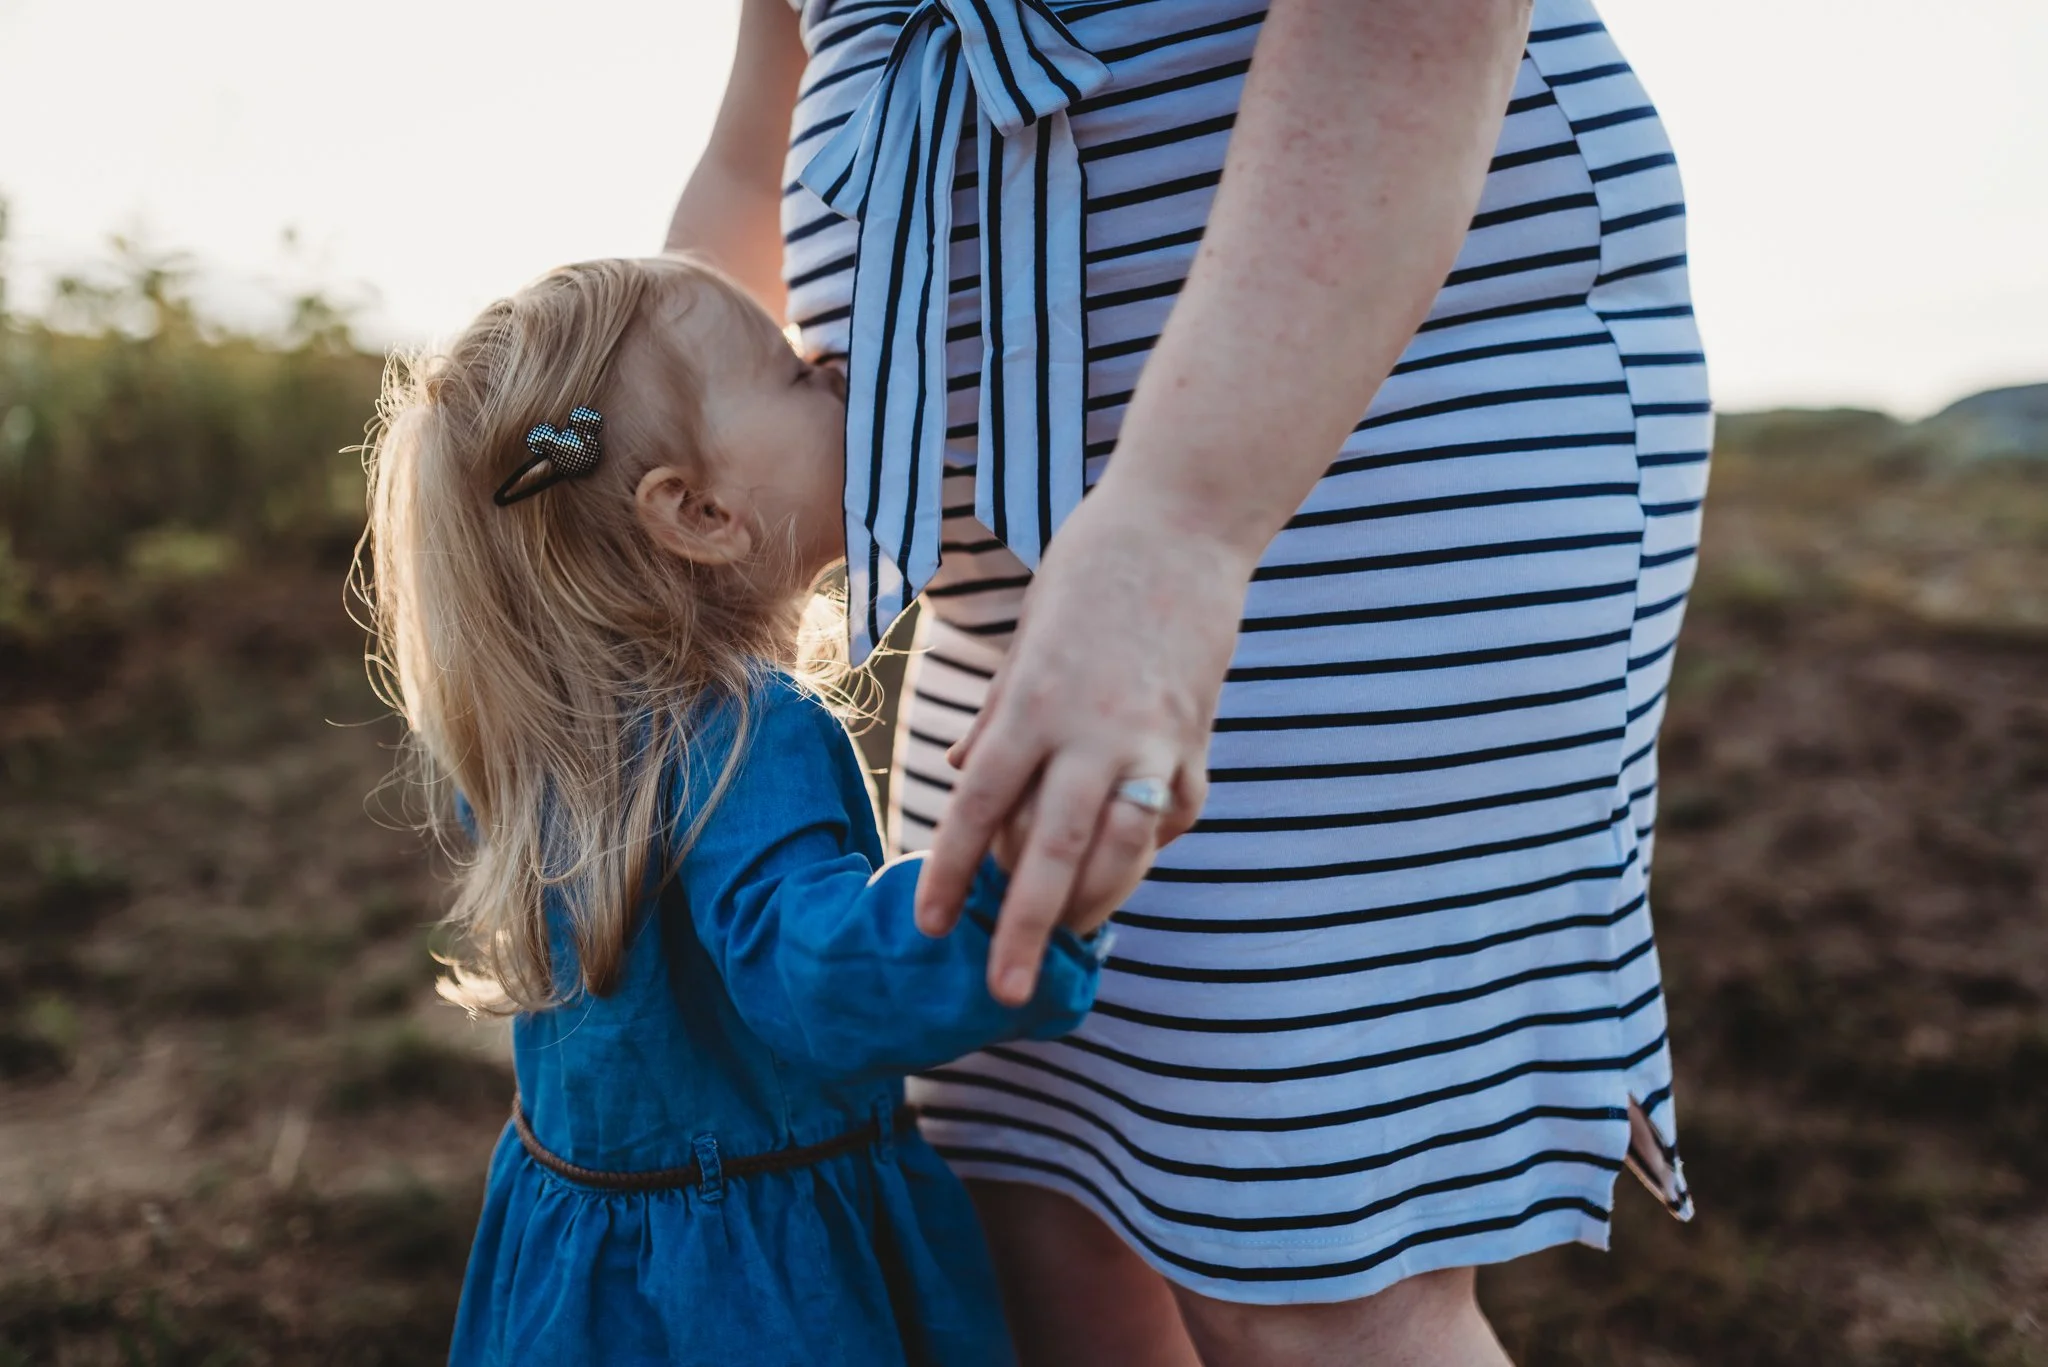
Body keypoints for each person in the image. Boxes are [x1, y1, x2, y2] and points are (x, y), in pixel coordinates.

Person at [671, 0, 1708, 1361]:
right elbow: (764, 131)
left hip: (1351, 456)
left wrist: (1179, 521)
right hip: (998, 575)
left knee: (1297, 1276)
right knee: (1026, 1189)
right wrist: (603, 500)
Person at [358, 256, 1123, 1366]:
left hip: (585, 1262)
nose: (833, 370)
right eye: (793, 370)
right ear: (699, 510)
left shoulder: (540, 739)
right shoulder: (743, 729)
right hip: (762, 1285)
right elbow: (813, 970)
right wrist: (1015, 894)